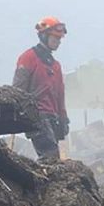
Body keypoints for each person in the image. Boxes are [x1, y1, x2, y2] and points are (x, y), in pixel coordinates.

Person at [13, 17, 69, 160]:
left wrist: (63, 118)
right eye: (55, 38)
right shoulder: (28, 58)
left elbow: (59, 95)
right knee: (50, 155)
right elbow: (18, 90)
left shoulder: (55, 65)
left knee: (58, 158)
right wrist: (25, 114)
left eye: (60, 39)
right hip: (37, 115)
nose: (58, 42)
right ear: (44, 35)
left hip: (53, 117)